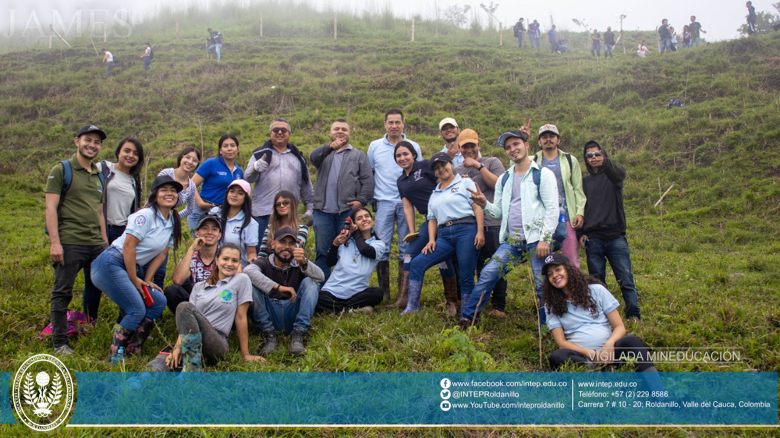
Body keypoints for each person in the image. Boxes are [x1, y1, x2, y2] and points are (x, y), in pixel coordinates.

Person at [464, 130, 558, 327]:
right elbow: (498, 213)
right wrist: (484, 203)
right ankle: (468, 318)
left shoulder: (542, 174)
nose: (512, 149)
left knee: (542, 285)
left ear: (526, 145)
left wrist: (545, 239)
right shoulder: (505, 179)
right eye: (508, 147)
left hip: (535, 240)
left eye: (516, 144)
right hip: (511, 242)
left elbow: (552, 208)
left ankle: (549, 326)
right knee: (487, 274)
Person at [91, 174, 182, 361]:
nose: (169, 194)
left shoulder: (172, 220)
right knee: (136, 309)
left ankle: (133, 347)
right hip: (111, 263)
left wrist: (147, 279)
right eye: (164, 190)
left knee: (158, 301)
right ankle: (115, 357)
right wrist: (135, 279)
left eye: (173, 191)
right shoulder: (145, 215)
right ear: (155, 194)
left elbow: (161, 254)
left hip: (130, 267)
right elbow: (128, 246)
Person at [45, 125, 109, 355]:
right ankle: (59, 343)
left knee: (98, 285)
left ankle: (89, 324)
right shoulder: (62, 170)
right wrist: (55, 242)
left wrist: (105, 244)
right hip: (71, 241)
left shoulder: (98, 174)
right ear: (76, 141)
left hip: (96, 243)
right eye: (88, 140)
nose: (92, 145)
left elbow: (99, 211)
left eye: (97, 142)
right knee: (63, 291)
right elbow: (50, 207)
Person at [541, 254, 658, 374]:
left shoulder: (596, 290)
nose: (555, 275)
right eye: (550, 274)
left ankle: (656, 388)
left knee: (632, 341)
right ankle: (595, 371)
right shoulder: (551, 305)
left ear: (569, 269)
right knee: (557, 356)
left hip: (610, 352)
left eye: (558, 270)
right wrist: (590, 354)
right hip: (582, 356)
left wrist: (609, 344)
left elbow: (619, 327)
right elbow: (561, 343)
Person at [403, 152, 484, 316]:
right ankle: (412, 307)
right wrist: (431, 240)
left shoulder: (465, 182)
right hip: (444, 235)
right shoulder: (434, 194)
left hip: (466, 229)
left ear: (451, 164)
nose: (441, 170)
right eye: (437, 168)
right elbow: (432, 219)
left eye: (443, 165)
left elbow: (477, 207)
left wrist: (480, 232)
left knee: (466, 274)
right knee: (417, 263)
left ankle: (467, 315)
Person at [164, 243, 263, 371]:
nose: (229, 264)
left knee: (184, 307)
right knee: (162, 363)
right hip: (192, 340)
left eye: (235, 260)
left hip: (216, 342)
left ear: (239, 263)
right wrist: (177, 349)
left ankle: (191, 367)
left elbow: (240, 317)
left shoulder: (241, 280)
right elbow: (186, 322)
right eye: (225, 259)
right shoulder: (199, 287)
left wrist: (246, 354)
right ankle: (183, 360)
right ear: (217, 260)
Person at [391, 141, 458, 315]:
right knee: (409, 253)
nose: (402, 158)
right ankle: (405, 299)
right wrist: (412, 231)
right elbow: (407, 206)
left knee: (442, 258)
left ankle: (451, 301)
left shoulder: (425, 166)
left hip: (445, 216)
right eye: (398, 155)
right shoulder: (401, 181)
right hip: (429, 221)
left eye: (405, 154)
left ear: (413, 154)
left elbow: (445, 181)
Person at [577, 141, 641, 321]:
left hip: (615, 237)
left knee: (625, 277)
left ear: (604, 155)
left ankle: (633, 313)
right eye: (589, 155)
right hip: (593, 237)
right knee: (597, 281)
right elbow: (579, 208)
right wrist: (579, 234)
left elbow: (620, 173)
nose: (594, 158)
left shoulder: (614, 177)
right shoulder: (584, 182)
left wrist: (606, 163)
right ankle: (602, 315)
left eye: (597, 153)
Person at [367, 109, 423, 300]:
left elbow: (418, 173)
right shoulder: (375, 146)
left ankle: (403, 294)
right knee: (381, 247)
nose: (394, 126)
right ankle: (384, 293)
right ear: (385, 124)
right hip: (383, 201)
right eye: (390, 122)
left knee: (406, 246)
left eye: (397, 122)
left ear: (403, 123)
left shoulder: (413, 145)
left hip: (407, 202)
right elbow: (370, 172)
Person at [309, 119, 374, 281]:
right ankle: (322, 289)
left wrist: (361, 201)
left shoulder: (358, 155)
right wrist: (329, 147)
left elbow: (368, 180)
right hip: (322, 212)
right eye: (336, 129)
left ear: (349, 134)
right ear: (330, 134)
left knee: (346, 251)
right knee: (323, 252)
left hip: (346, 212)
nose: (340, 131)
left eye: (344, 129)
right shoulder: (323, 154)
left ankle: (344, 289)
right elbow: (312, 157)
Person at [453, 129, 508, 317]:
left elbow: (499, 185)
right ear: (458, 148)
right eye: (464, 146)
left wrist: (478, 166)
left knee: (496, 264)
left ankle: (498, 304)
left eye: (472, 145)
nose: (469, 150)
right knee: (472, 265)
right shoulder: (456, 171)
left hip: (492, 222)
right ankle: (474, 301)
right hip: (469, 225)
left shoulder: (492, 162)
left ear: (479, 146)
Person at [246, 226, 323, 356]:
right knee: (250, 283)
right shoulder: (264, 262)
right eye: (282, 242)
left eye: (291, 243)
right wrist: (277, 287)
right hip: (270, 313)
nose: (286, 247)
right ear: (273, 244)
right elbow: (247, 271)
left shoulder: (299, 263)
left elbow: (320, 277)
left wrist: (304, 262)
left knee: (311, 282)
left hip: (293, 312)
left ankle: (299, 332)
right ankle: (269, 334)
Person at [245, 118, 314, 238]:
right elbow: (247, 178)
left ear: (289, 134)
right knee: (260, 250)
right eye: (275, 129)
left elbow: (306, 186)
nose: (280, 132)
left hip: (289, 215)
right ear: (270, 133)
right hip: (263, 214)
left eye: (284, 130)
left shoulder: (298, 158)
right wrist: (255, 168)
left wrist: (310, 208)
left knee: (287, 251)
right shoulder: (260, 155)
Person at [533, 124, 587, 268]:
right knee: (545, 261)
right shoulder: (532, 161)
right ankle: (548, 290)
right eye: (544, 137)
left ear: (559, 140)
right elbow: (514, 163)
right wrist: (523, 138)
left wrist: (579, 212)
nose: (548, 140)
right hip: (542, 220)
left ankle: (575, 289)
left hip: (566, 217)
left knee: (571, 260)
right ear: (539, 142)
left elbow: (577, 189)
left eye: (552, 136)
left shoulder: (570, 160)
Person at [317, 208, 386, 314]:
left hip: (356, 293)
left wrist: (355, 233)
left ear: (372, 220)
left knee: (378, 293)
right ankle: (349, 311)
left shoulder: (378, 244)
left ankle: (336, 310)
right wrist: (334, 245)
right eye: (359, 218)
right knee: (316, 297)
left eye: (367, 216)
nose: (364, 219)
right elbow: (329, 263)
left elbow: (364, 250)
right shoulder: (346, 241)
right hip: (333, 291)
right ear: (354, 224)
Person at [164, 213, 222, 315]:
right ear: (197, 233)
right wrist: (191, 249)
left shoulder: (225, 254)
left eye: (214, 229)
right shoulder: (192, 255)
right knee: (172, 290)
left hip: (219, 301)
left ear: (219, 235)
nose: (209, 232)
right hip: (195, 300)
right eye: (204, 228)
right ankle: (189, 321)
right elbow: (177, 280)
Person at [189, 134, 244, 230]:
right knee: (201, 243)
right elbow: (190, 185)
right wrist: (200, 203)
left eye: (232, 145)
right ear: (220, 150)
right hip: (202, 211)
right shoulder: (211, 164)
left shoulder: (239, 171)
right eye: (225, 146)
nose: (229, 149)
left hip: (222, 213)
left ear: (238, 148)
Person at [98, 138, 144, 245]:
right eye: (127, 151)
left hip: (121, 231)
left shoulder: (135, 181)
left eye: (135, 153)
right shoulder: (104, 169)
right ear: (118, 152)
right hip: (99, 227)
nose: (131, 155)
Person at [208, 179, 259, 267]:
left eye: (240, 193)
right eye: (232, 191)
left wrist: (253, 260)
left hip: (234, 267)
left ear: (245, 198)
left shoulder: (250, 223)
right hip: (210, 265)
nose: (234, 195)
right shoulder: (215, 213)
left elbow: (251, 252)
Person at [157, 147, 206, 222]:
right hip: (153, 216)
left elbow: (190, 209)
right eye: (187, 157)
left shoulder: (191, 186)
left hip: (167, 222)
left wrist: (173, 219)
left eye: (194, 160)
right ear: (181, 158)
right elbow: (153, 195)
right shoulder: (166, 173)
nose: (190, 162)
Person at [257, 190, 309, 259]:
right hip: (269, 266)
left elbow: (293, 250)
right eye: (278, 204)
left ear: (292, 205)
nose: (281, 206)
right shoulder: (270, 227)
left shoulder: (302, 228)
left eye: (285, 203)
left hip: (292, 265)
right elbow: (262, 253)